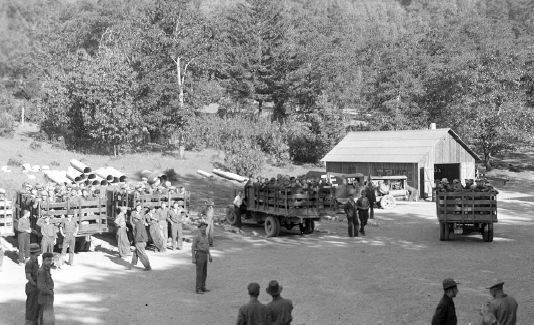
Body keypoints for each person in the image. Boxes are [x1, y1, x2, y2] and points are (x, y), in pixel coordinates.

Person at [191, 222, 212, 294]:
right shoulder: (197, 236)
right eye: (202, 227)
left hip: (205, 255)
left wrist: (210, 255)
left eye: (205, 227)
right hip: (199, 255)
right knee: (199, 273)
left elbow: (207, 246)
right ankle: (198, 289)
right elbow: (193, 247)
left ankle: (203, 287)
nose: (204, 229)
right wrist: (193, 258)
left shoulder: (205, 236)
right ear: (199, 228)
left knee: (204, 273)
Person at [37, 252, 55, 325]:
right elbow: (40, 286)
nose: (49, 262)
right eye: (47, 260)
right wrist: (50, 292)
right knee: (47, 319)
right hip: (45, 297)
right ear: (43, 260)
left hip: (48, 297)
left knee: (45, 318)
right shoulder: (42, 271)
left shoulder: (47, 269)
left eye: (50, 260)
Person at [25, 243, 41, 325]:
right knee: (30, 307)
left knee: (36, 307)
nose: (37, 257)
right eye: (36, 255)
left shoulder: (35, 261)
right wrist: (34, 284)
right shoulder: (29, 263)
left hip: (37, 287)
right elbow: (28, 276)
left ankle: (35, 322)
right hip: (32, 287)